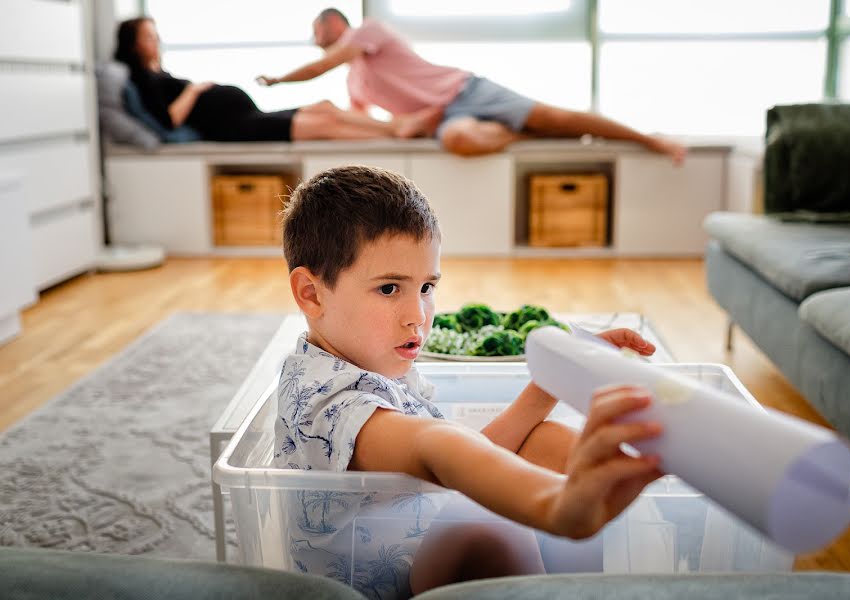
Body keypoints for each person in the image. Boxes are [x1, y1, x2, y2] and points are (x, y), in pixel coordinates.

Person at [276, 165, 663, 597]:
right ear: (311, 293)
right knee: (484, 524)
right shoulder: (327, 401)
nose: (417, 315)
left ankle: (579, 588)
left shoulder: (366, 359)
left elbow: (462, 460)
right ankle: (560, 543)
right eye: (389, 289)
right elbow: (438, 448)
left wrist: (552, 380)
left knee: (546, 443)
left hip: (422, 541)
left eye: (426, 287)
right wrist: (553, 506)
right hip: (383, 587)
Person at [257, 9, 687, 162]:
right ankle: (522, 134)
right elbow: (371, 121)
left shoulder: (365, 32)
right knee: (461, 142)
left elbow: (320, 66)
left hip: (466, 91)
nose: (316, 40)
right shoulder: (356, 78)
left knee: (557, 117)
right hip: (447, 118)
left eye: (316, 32)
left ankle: (650, 140)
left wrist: (278, 80)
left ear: (332, 25)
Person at [114, 17, 438, 142]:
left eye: (156, 35)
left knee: (324, 106)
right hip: (235, 128)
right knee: (324, 125)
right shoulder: (143, 80)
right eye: (148, 37)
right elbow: (169, 121)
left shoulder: (161, 75)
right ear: (132, 44)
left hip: (247, 115)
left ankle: (397, 126)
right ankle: (396, 131)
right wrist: (196, 90)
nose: (155, 41)